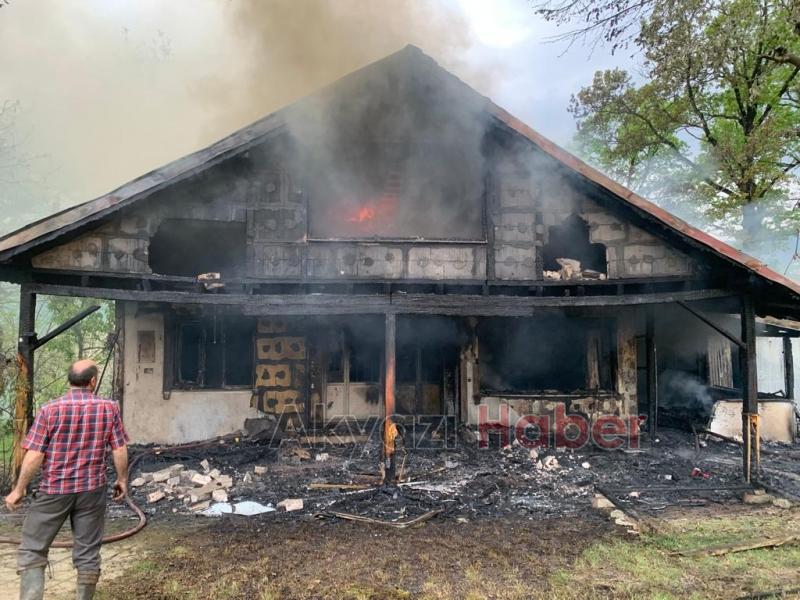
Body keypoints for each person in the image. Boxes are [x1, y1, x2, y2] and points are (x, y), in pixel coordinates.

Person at [4, 359, 129, 600]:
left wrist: (19, 489)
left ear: (69, 380)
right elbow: (119, 448)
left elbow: (35, 454)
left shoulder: (49, 410)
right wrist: (122, 479)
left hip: (54, 490)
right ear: (92, 381)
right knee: (88, 553)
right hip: (92, 490)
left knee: (33, 548)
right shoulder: (109, 408)